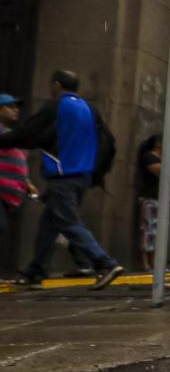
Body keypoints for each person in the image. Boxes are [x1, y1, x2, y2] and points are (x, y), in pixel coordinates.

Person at [0, 71, 124, 289]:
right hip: (82, 176)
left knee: (68, 221)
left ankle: (104, 263)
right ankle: (35, 272)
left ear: (56, 85)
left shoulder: (56, 106)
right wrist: (96, 174)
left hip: (63, 176)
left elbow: (28, 133)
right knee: (48, 225)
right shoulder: (90, 109)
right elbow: (108, 142)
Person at [1, 95, 38, 275]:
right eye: (9, 107)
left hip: (11, 195)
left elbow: (17, 163)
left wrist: (27, 183)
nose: (15, 110)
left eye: (16, 107)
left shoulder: (11, 135)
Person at [134, 134, 162, 271]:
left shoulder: (161, 159)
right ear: (158, 144)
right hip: (150, 198)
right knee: (148, 230)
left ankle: (154, 263)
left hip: (159, 199)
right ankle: (145, 263)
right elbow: (161, 172)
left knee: (158, 232)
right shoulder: (149, 157)